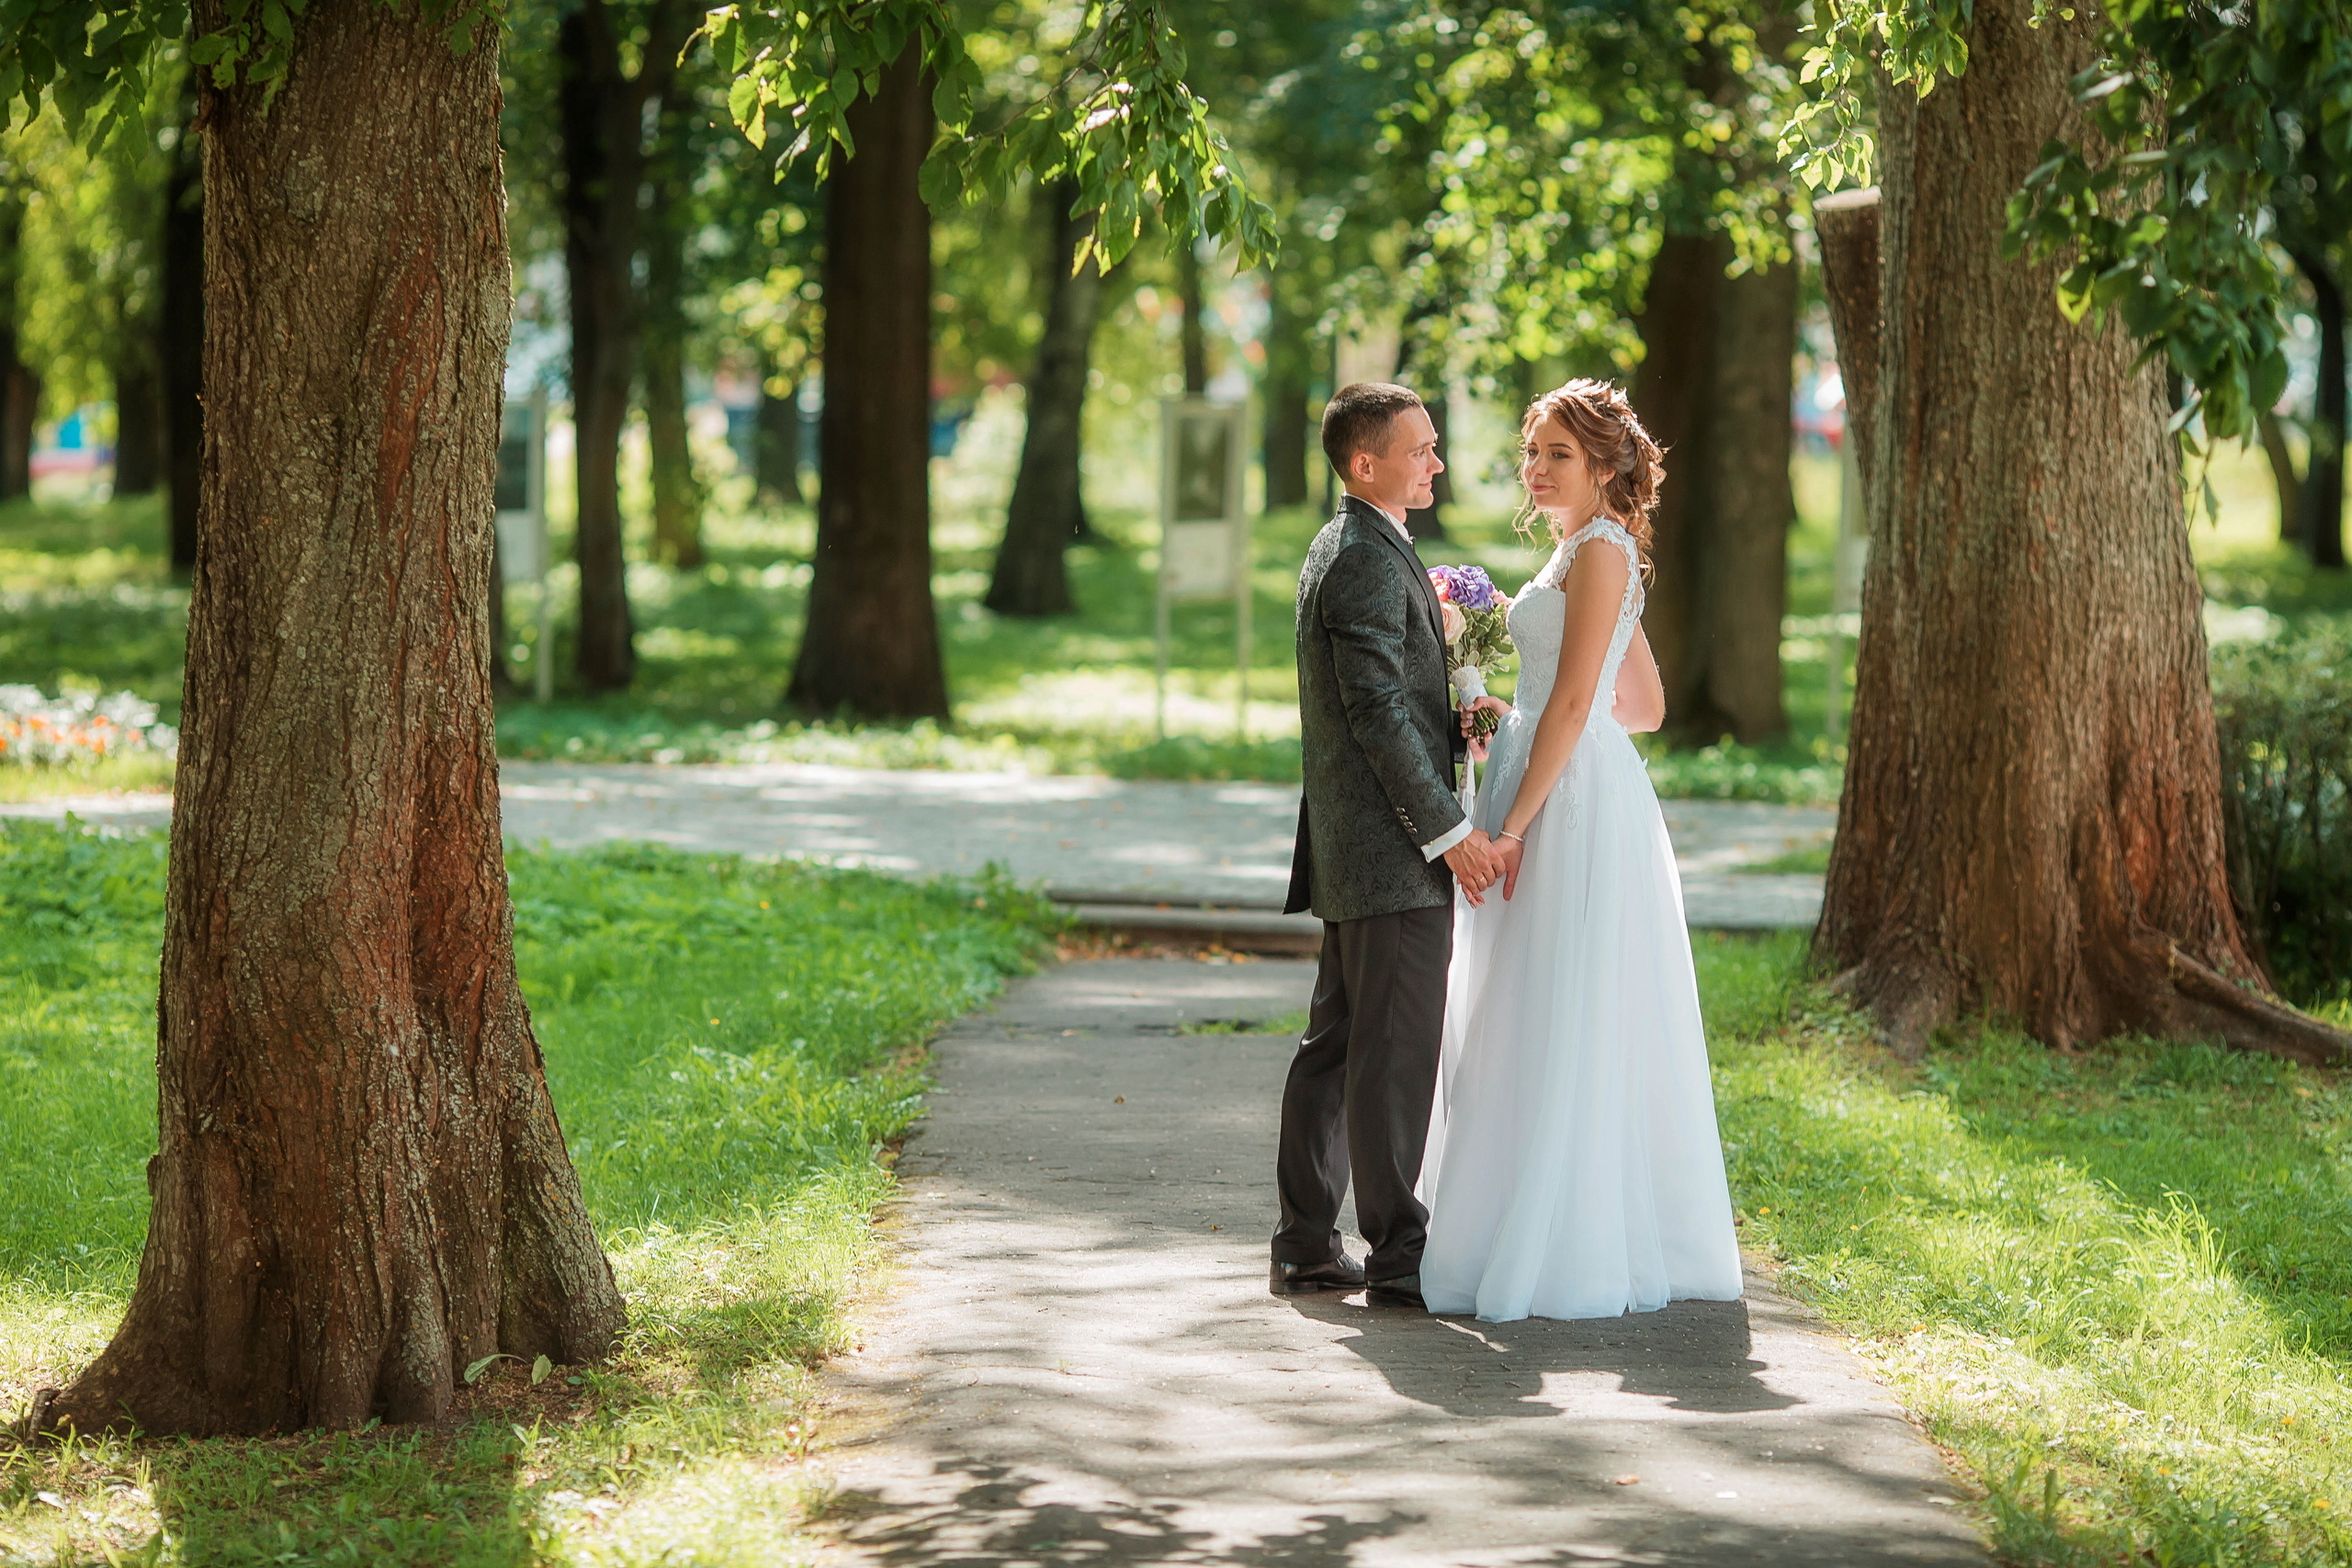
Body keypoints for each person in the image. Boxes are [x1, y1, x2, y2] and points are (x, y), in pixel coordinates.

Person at [1418, 378, 1745, 1324]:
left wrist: (1514, 819)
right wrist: (1503, 714)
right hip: (1559, 770)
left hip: (1564, 798)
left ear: (1606, 464)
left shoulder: (1600, 551)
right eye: (1532, 452)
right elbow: (1637, 705)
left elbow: (1576, 704)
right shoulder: (1583, 553)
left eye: (1559, 453)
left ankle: (1562, 1235)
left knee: (1559, 996)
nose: (1538, 468)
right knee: (1529, 996)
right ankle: (1516, 1209)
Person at [1272, 382, 1505, 1310]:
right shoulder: (1364, 555)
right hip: (1391, 853)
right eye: (1419, 450)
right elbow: (1373, 716)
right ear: (1365, 463)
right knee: (1389, 1057)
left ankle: (1304, 1246)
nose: (1435, 463)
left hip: (1358, 849)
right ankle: (1401, 1257)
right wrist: (1450, 835)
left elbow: (1390, 700)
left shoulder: (1352, 541)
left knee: (1334, 1047)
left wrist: (1459, 713)